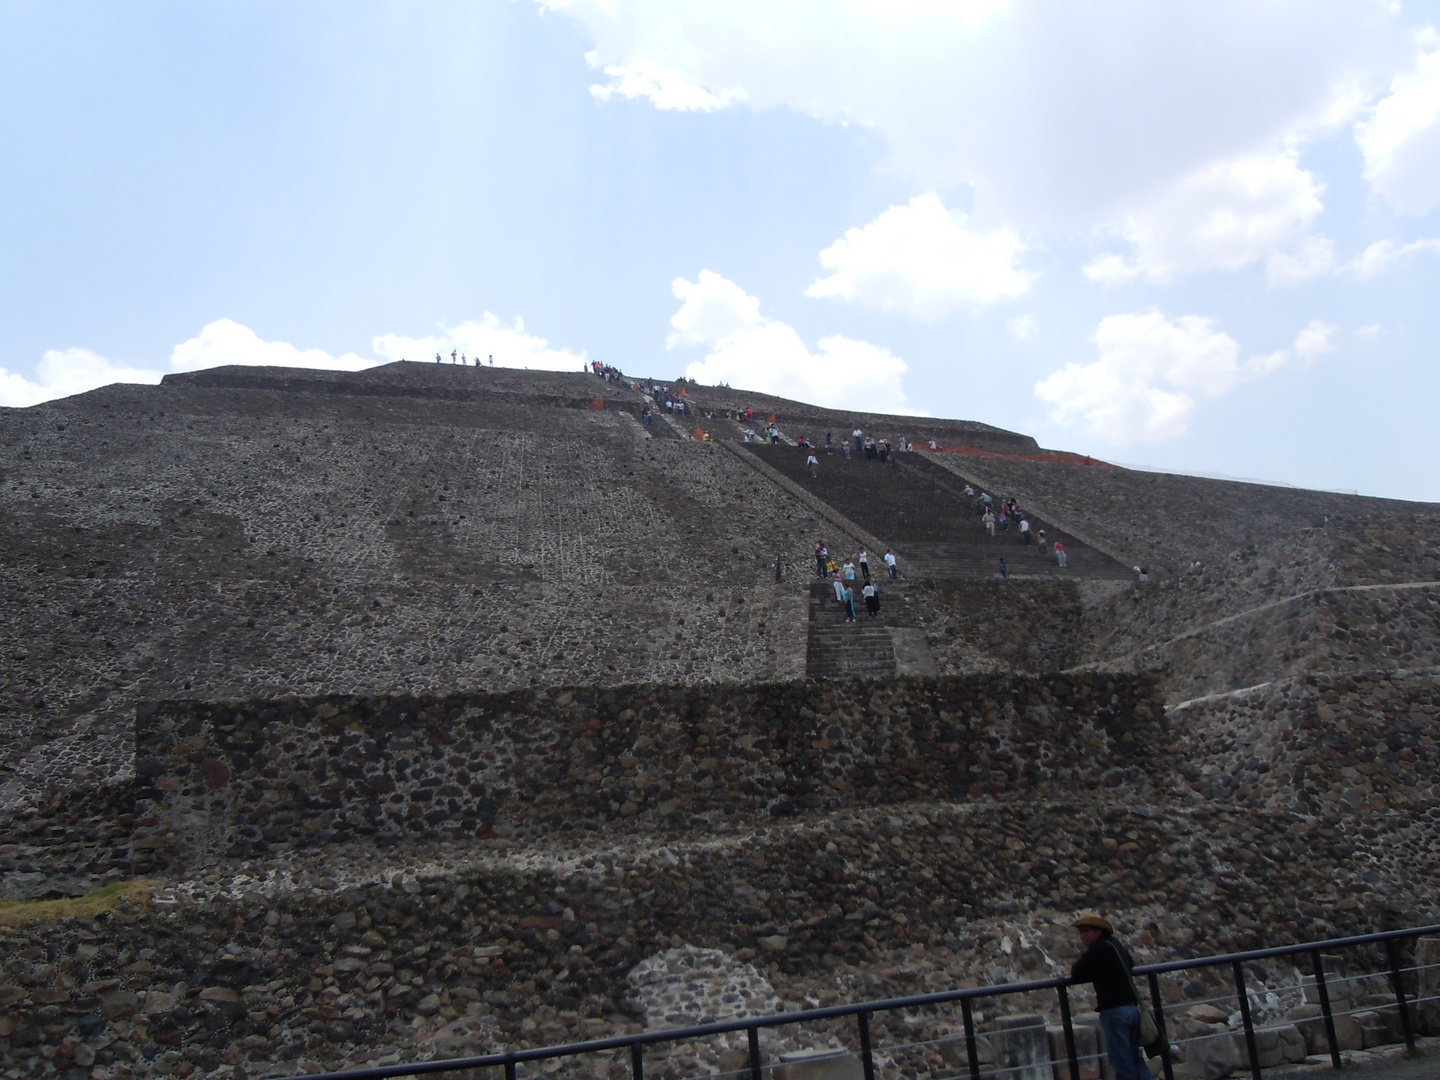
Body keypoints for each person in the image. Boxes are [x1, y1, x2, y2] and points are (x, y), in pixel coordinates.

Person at [1070, 913, 1155, 1080]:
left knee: (1122, 1063)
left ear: (1098, 931)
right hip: (1132, 1010)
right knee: (1135, 1059)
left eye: (1087, 931)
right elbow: (1130, 963)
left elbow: (1076, 973)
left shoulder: (1098, 949)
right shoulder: (1115, 945)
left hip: (1115, 1012)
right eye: (1081, 932)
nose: (1083, 936)